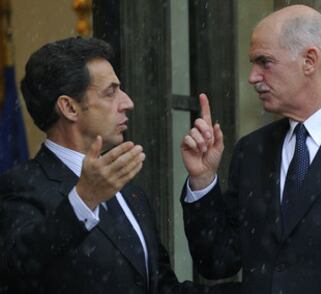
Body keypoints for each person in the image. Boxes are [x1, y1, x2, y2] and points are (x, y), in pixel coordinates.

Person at [180, 4, 321, 294]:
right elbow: (218, 261)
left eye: (264, 62)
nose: (252, 77)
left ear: (309, 60)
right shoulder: (252, 151)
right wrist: (203, 181)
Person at [0, 37, 238, 294]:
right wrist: (82, 201)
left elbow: (161, 289)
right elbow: (17, 269)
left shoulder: (129, 192)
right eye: (111, 92)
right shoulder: (20, 186)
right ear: (69, 107)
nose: (128, 102)